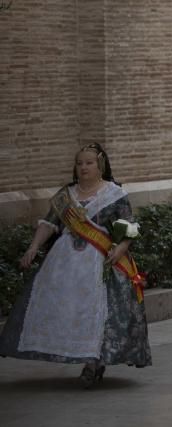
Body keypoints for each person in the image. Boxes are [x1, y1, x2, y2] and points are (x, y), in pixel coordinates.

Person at [0, 144, 151, 387]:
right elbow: (49, 223)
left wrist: (119, 249)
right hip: (65, 263)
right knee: (68, 308)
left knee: (96, 311)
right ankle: (77, 354)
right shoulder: (66, 195)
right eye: (80, 163)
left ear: (100, 165)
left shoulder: (114, 194)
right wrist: (32, 248)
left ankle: (94, 363)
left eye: (89, 163)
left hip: (100, 261)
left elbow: (129, 229)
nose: (83, 167)